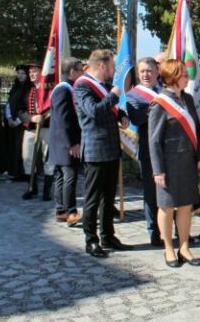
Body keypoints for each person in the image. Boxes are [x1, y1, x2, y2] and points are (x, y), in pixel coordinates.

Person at [74, 49, 133, 258]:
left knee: (109, 198)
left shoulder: (104, 86)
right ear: (101, 66)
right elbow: (95, 111)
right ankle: (91, 239)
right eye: (111, 67)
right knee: (92, 198)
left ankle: (108, 235)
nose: (114, 71)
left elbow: (113, 109)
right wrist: (114, 96)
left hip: (111, 149)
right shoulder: (82, 86)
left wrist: (123, 115)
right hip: (94, 150)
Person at [148, 59, 200, 268]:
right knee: (167, 207)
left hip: (187, 162)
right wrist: (157, 170)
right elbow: (153, 140)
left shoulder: (188, 99)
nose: (187, 77)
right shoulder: (160, 103)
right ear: (172, 77)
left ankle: (184, 246)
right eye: (182, 74)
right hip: (168, 164)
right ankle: (169, 248)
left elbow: (197, 130)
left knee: (185, 206)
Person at [126, 57, 163, 247]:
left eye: (149, 70)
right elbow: (137, 118)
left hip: (170, 151)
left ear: (157, 72)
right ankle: (154, 232)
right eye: (142, 72)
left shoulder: (167, 91)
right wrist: (160, 107)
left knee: (171, 193)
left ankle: (174, 230)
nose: (146, 75)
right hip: (149, 152)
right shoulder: (133, 95)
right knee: (151, 195)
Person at [47, 57, 83, 227]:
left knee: (60, 176)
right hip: (64, 142)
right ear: (71, 72)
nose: (82, 72)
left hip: (60, 141)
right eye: (79, 69)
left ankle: (61, 210)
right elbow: (64, 120)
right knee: (69, 176)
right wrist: (72, 143)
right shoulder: (64, 90)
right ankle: (71, 212)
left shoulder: (65, 88)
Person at [19, 63, 54, 201]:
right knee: (27, 158)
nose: (32, 74)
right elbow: (20, 111)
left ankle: (47, 190)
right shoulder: (26, 90)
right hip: (31, 128)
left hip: (47, 127)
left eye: (35, 71)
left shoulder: (50, 89)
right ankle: (31, 188)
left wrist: (45, 116)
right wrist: (31, 117)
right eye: (30, 72)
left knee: (48, 159)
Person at [4, 65, 31, 181]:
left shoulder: (29, 89)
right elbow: (9, 103)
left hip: (23, 124)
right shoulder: (15, 87)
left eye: (23, 74)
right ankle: (14, 172)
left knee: (22, 148)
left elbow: (28, 107)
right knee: (13, 147)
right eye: (18, 73)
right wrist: (9, 118)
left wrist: (18, 121)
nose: (20, 76)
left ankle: (24, 173)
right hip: (12, 123)